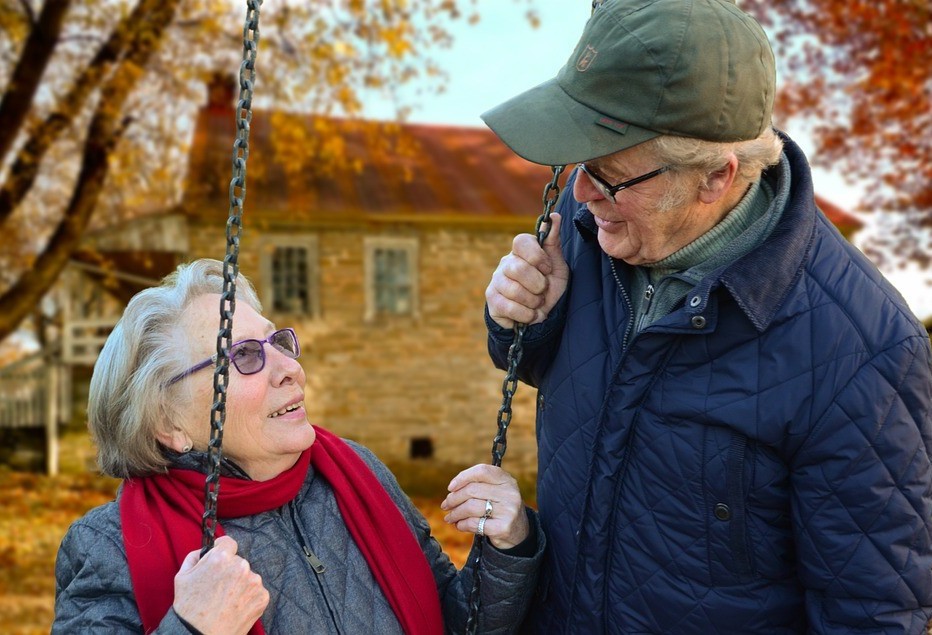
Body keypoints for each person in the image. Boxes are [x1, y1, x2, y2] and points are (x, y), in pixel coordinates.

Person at [482, 0, 932, 632]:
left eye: (609, 177)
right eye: (579, 166)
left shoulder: (865, 352)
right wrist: (523, 320)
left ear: (716, 178)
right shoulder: (594, 230)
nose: (581, 194)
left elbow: (873, 613)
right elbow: (549, 371)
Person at [53, 258, 543, 634]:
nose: (288, 367)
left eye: (278, 343)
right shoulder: (108, 546)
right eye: (243, 356)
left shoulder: (357, 475)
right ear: (168, 422)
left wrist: (505, 547)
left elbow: (453, 621)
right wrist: (191, 627)